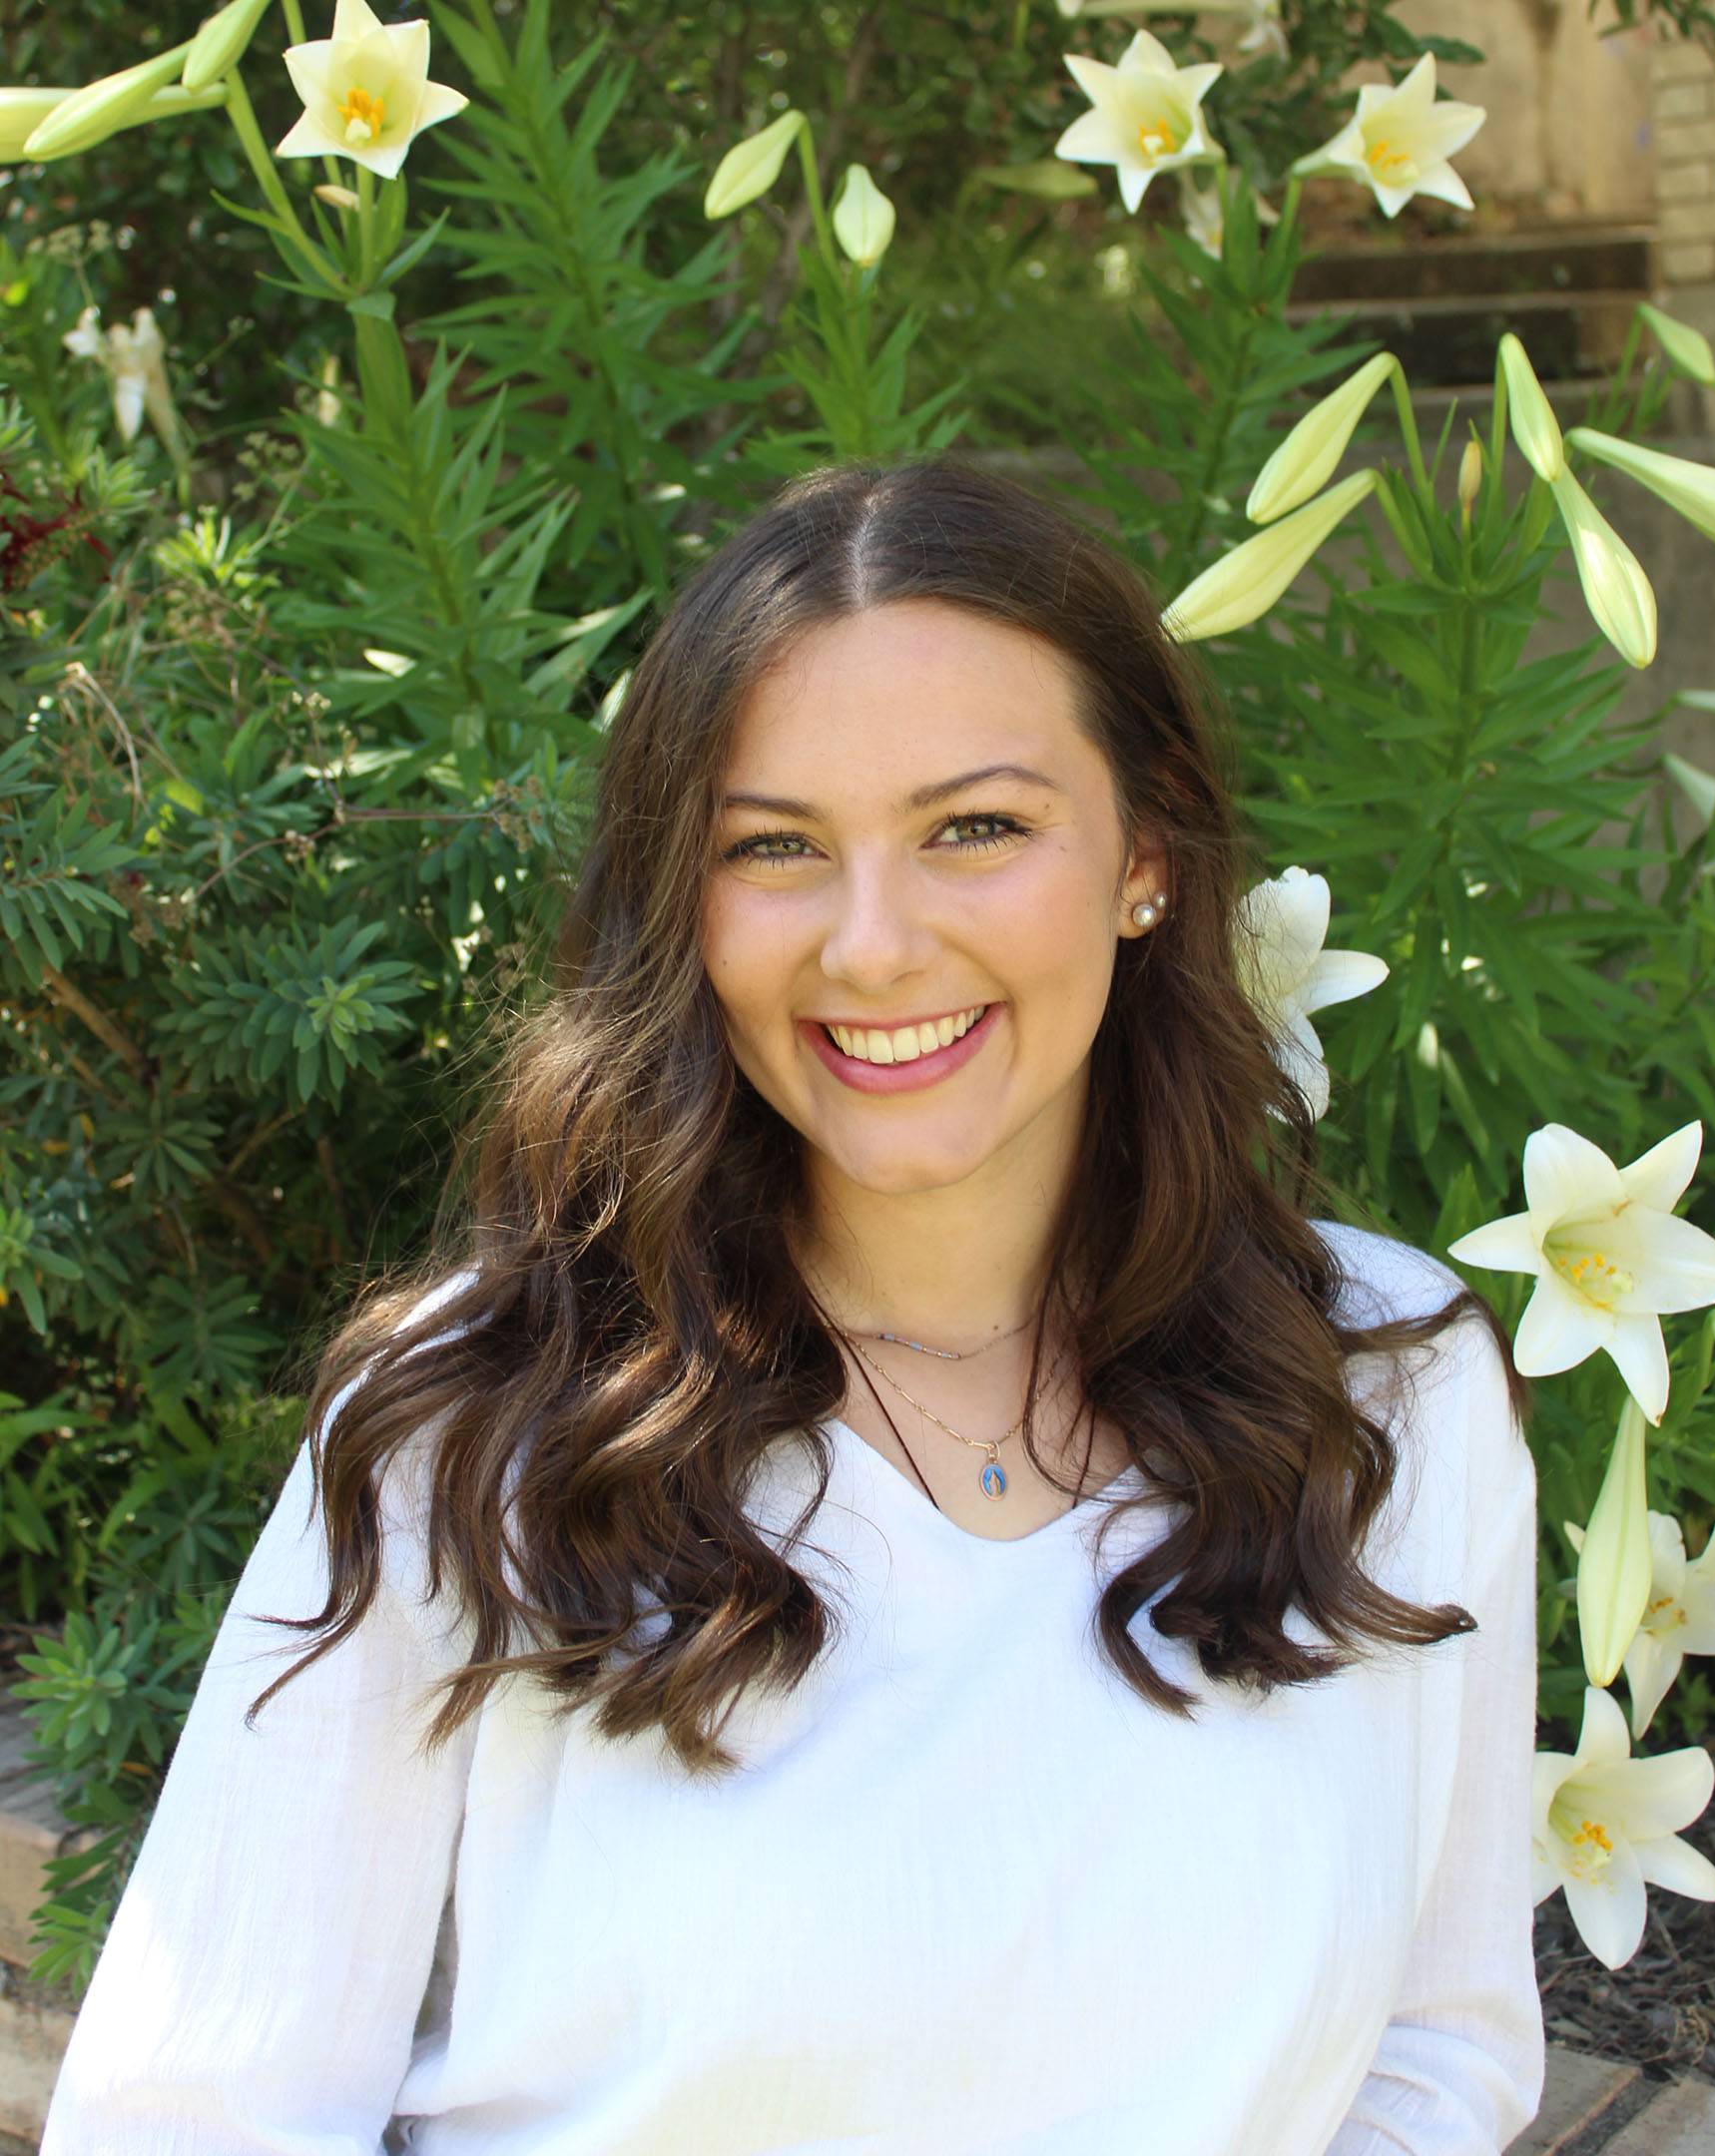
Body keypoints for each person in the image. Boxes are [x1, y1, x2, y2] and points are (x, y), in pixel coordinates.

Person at [42, 453, 1543, 2154]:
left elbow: (1438, 2051)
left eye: (975, 827)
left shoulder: (1387, 1391)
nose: (874, 945)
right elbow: (198, 2116)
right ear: (682, 903)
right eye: (775, 849)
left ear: (1152, 859)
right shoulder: (481, 1428)